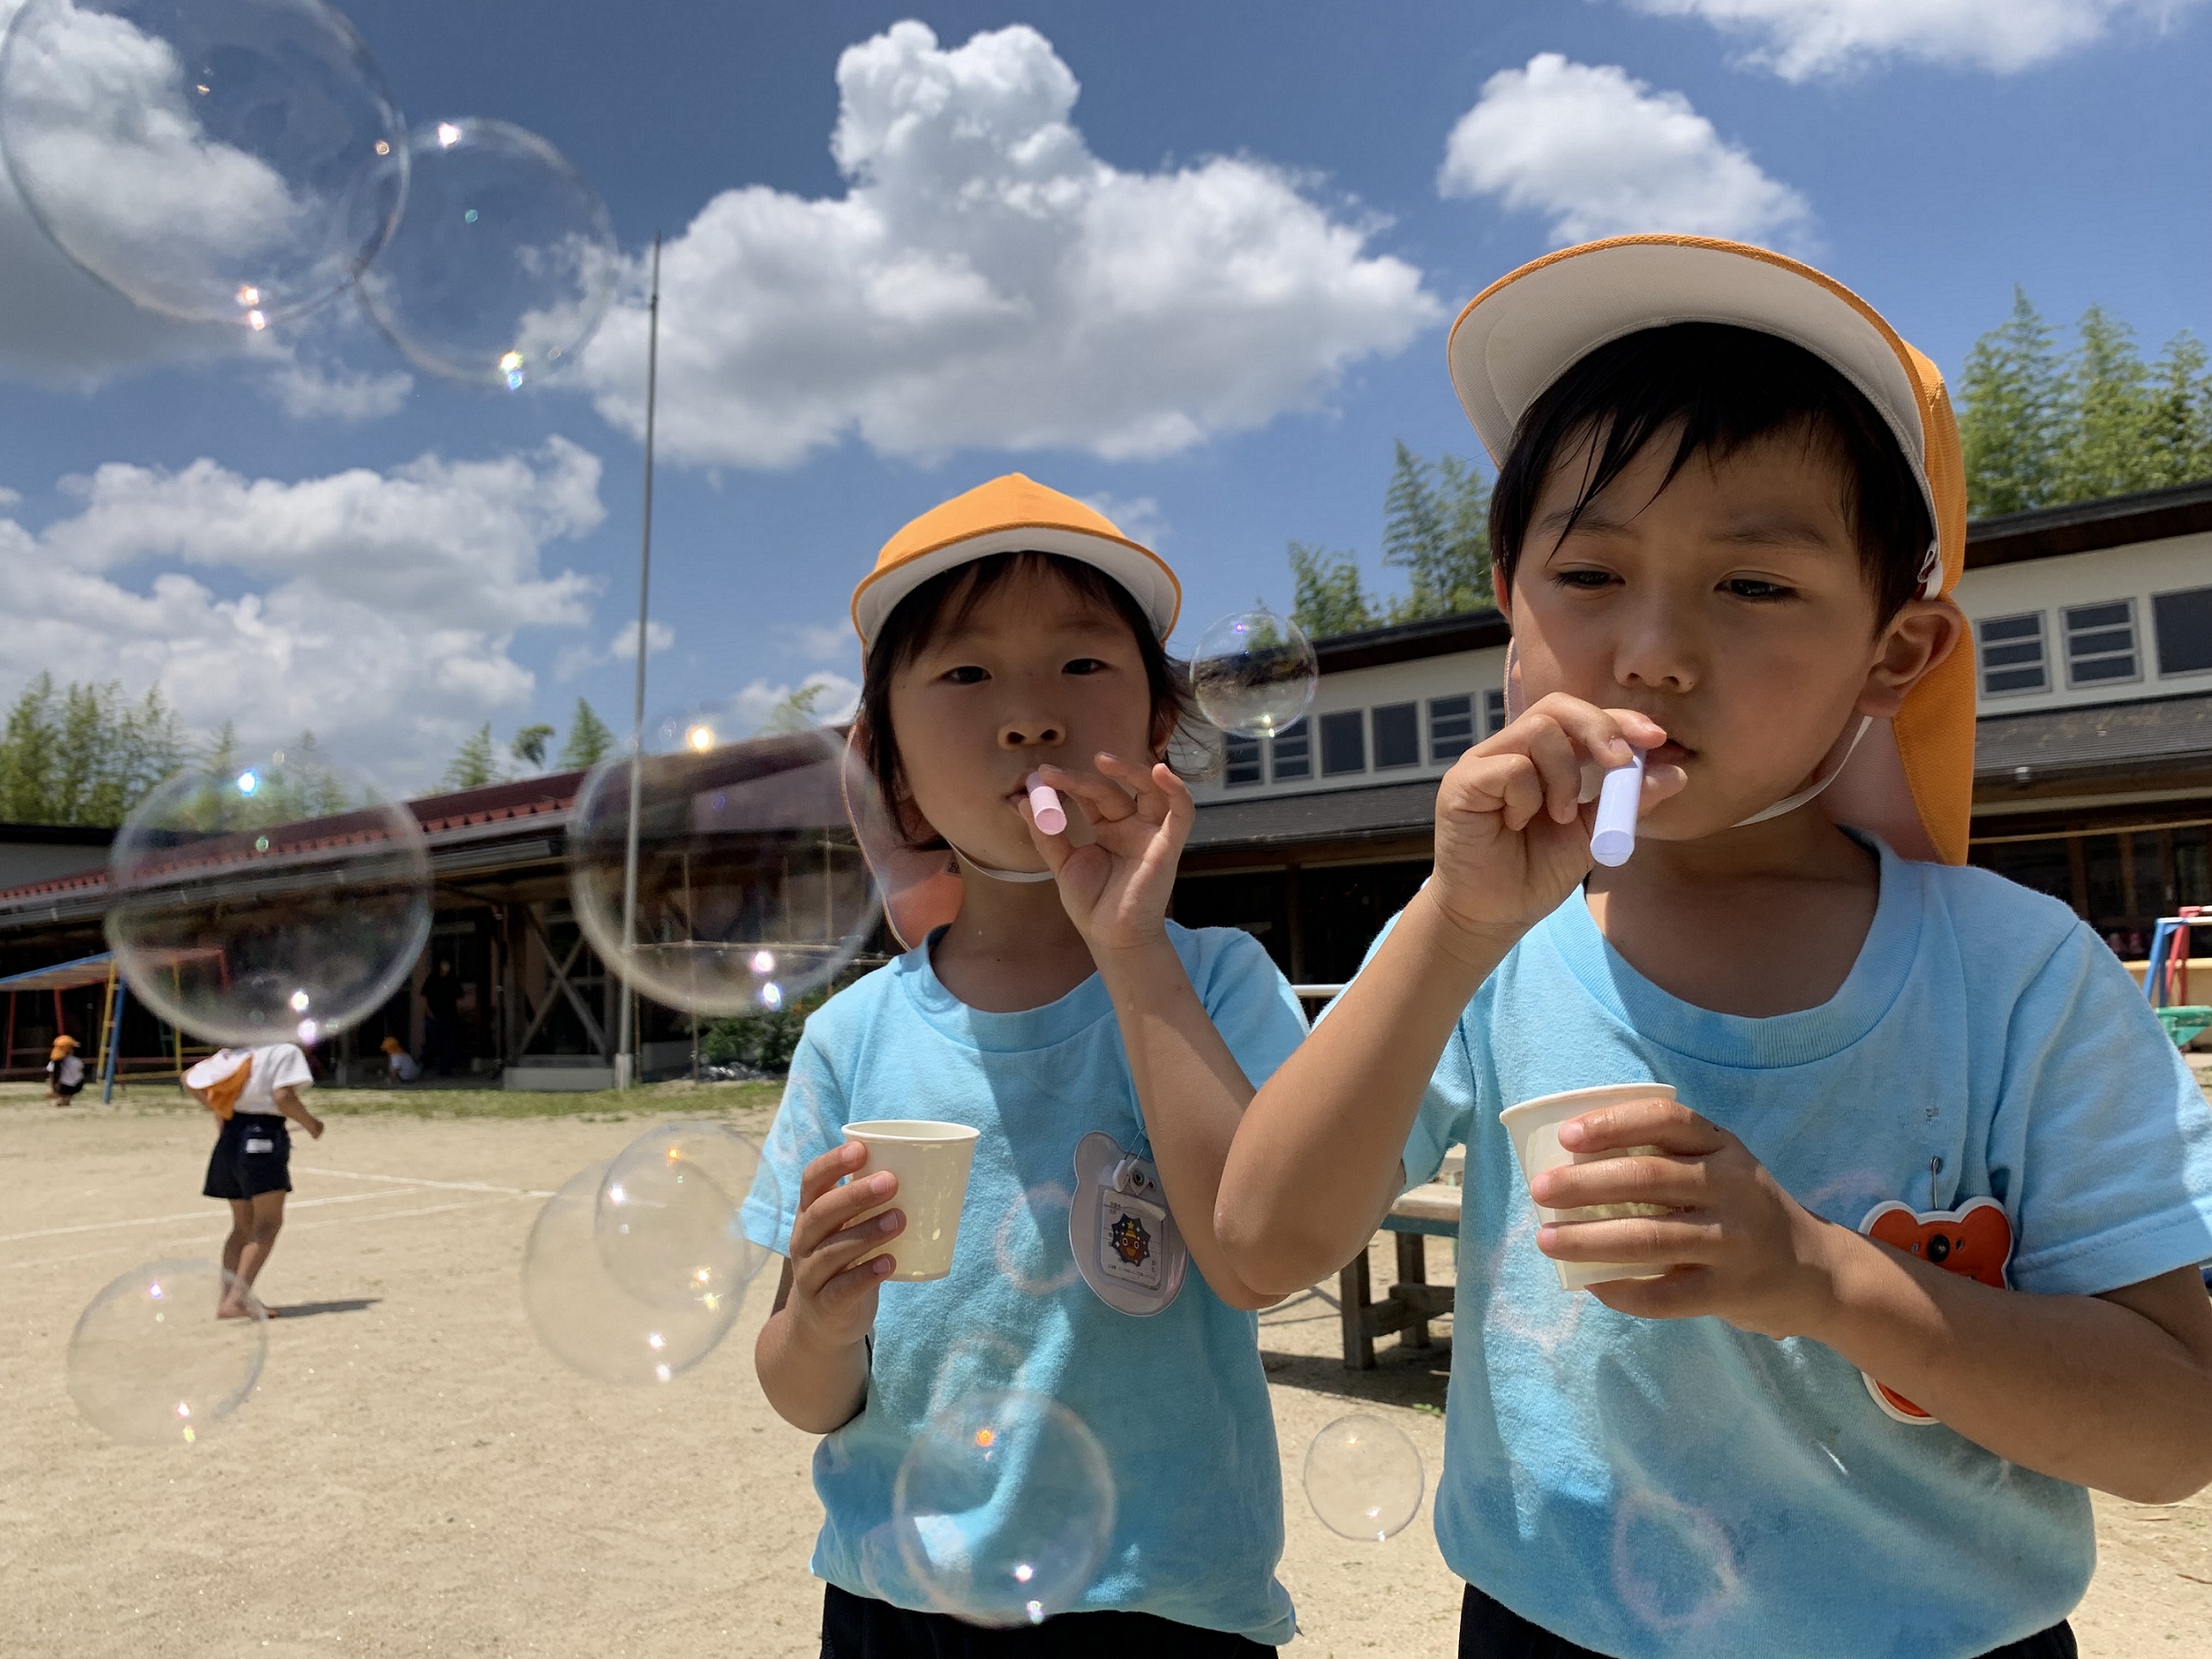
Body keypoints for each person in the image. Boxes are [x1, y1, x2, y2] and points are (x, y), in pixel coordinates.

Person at [1215, 237, 2212, 1659]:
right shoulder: (1483, 937)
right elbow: (1259, 1247)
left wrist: (1819, 1279)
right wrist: (1446, 928)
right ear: (1510, 600)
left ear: (1897, 654)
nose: (1654, 649)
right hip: (1544, 1631)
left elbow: (2174, 1427)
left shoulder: (2016, 974)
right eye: (1589, 571)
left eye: (1752, 586)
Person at [741, 476, 1306, 1656]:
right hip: (899, 1602)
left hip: (1163, 1600)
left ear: (1160, 727)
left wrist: (1129, 946)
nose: (1027, 719)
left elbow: (1257, 1256)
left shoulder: (1215, 985)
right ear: (884, 763)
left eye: (1081, 666)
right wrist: (828, 1321)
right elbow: (804, 1394)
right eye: (963, 675)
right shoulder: (851, 1039)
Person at [188, 1042, 324, 1318]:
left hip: (230, 1137)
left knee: (242, 1226)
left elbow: (190, 1079)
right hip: (263, 1134)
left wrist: (220, 1109)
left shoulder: (234, 1054)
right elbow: (283, 1096)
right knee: (267, 1224)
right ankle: (238, 1299)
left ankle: (228, 1298)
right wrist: (312, 1124)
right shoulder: (283, 1051)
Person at [420, 958, 461, 1076]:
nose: (446, 967)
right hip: (434, 1017)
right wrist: (428, 1012)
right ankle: (425, 1065)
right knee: (431, 1044)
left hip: (449, 1016)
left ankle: (445, 1070)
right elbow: (425, 997)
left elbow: (459, 996)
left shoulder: (453, 980)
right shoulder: (432, 980)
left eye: (447, 964)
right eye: (444, 964)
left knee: (448, 1044)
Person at [45, 1034, 84, 1106]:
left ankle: (60, 1096)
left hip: (60, 1087)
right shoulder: (77, 1061)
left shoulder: (53, 1063)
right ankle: (67, 1097)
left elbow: (52, 1075)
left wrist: (53, 1086)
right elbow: (80, 1074)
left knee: (50, 1079)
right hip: (75, 1087)